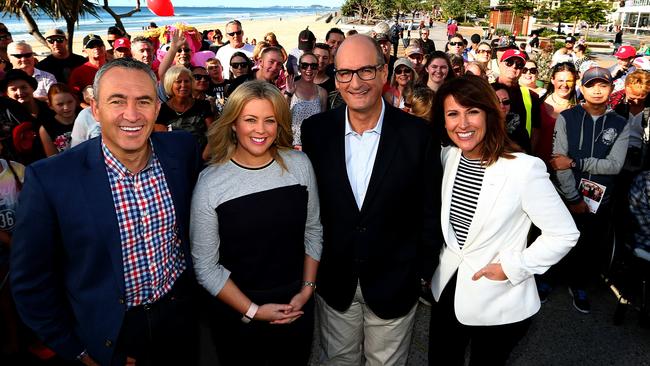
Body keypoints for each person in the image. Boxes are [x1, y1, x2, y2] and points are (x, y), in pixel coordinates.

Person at [10, 57, 202, 366]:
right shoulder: (51, 179)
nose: (132, 114)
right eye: (117, 101)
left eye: (144, 101)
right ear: (95, 109)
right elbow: (30, 283)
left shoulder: (181, 150)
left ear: (156, 108)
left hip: (180, 318)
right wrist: (80, 351)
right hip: (110, 333)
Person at [301, 34, 442, 366]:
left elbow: (429, 207)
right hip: (335, 282)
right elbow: (311, 207)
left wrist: (421, 270)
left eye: (366, 70)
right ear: (335, 78)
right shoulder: (315, 132)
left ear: (383, 73)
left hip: (395, 283)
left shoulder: (417, 134)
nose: (356, 82)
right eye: (345, 73)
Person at [429, 74, 579, 366]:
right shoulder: (448, 157)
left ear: (489, 113)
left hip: (499, 298)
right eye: (453, 114)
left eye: (472, 111)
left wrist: (513, 267)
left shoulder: (524, 169)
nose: (463, 124)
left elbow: (563, 234)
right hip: (447, 288)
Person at [191, 80, 322, 365]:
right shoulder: (211, 183)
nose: (260, 130)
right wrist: (253, 311)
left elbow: (313, 231)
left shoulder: (300, 166)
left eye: (270, 120)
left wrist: (306, 291)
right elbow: (205, 266)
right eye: (250, 119)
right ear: (233, 123)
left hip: (296, 306)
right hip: (237, 314)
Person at [550, 67, 629, 313]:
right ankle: (545, 280)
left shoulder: (620, 123)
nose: (597, 90)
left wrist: (578, 162)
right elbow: (558, 160)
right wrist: (573, 197)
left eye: (603, 85)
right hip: (566, 195)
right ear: (581, 88)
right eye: (591, 84)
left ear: (611, 89)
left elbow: (615, 166)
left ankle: (579, 285)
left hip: (600, 200)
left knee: (589, 244)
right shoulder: (567, 117)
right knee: (557, 240)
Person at [156, 65, 214, 152]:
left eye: (186, 81)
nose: (183, 85)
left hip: (203, 159)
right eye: (178, 82)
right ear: (170, 84)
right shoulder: (162, 110)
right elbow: (160, 141)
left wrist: (202, 159)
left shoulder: (203, 106)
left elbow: (213, 136)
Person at [494, 49, 541, 153]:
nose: (514, 66)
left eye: (519, 65)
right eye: (509, 62)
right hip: (491, 152)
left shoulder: (532, 96)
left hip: (520, 155)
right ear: (500, 64)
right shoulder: (486, 90)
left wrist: (530, 153)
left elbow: (535, 130)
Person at [533, 62, 578, 168]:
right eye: (561, 80)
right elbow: (533, 137)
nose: (565, 85)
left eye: (569, 81)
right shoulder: (538, 104)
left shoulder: (579, 109)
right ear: (553, 80)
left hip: (566, 170)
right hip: (540, 166)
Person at [285, 53, 327, 149]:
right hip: (291, 146)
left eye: (313, 66)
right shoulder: (289, 88)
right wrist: (288, 94)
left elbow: (322, 122)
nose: (309, 69)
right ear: (299, 68)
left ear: (317, 69)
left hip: (314, 146)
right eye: (305, 65)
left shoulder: (322, 92)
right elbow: (280, 115)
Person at [39, 83, 77, 157]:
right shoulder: (46, 129)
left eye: (70, 102)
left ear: (75, 100)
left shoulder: (86, 116)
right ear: (50, 106)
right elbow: (53, 159)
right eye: (60, 104)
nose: (66, 107)